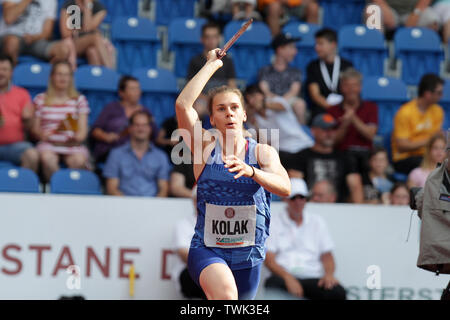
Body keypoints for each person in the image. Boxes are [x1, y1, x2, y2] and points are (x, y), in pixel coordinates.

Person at [175, 48, 291, 300]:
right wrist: (211, 65)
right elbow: (183, 105)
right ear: (213, 119)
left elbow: (285, 187)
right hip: (208, 249)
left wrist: (252, 172)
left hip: (249, 254)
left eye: (234, 107)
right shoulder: (204, 146)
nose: (229, 112)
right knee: (227, 297)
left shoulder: (262, 152)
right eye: (221, 109)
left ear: (244, 114)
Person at [264, 178, 346, 300]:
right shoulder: (274, 222)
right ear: (286, 199)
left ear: (306, 199)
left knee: (337, 292)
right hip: (284, 277)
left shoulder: (317, 222)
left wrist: (329, 275)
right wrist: (288, 278)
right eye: (294, 198)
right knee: (273, 284)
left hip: (312, 277)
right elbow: (269, 259)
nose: (298, 202)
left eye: (301, 197)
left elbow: (327, 255)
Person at [286, 113, 364, 203]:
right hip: (308, 208)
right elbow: (295, 187)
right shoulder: (300, 157)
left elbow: (356, 188)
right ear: (313, 131)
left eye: (333, 129)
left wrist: (357, 210)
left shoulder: (345, 158)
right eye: (325, 129)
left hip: (340, 210)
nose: (330, 133)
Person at [32, 61, 90, 182]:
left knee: (78, 160)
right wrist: (41, 134)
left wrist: (76, 138)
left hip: (71, 145)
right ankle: (57, 187)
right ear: (52, 77)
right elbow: (35, 129)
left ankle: (68, 189)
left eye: (66, 74)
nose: (63, 78)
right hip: (48, 144)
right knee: (48, 159)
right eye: (59, 74)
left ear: (71, 78)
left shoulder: (79, 100)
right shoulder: (40, 99)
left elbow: (82, 133)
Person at [90, 75, 157, 164]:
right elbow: (95, 130)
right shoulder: (111, 108)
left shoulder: (145, 112)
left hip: (138, 152)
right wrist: (106, 136)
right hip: (111, 150)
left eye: (138, 88)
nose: (137, 92)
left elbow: (154, 135)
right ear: (121, 93)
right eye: (133, 89)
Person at [103, 110, 170, 197]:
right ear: (130, 128)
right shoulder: (116, 154)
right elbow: (111, 189)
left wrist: (153, 208)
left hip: (152, 207)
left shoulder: (161, 157)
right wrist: (129, 207)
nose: (141, 129)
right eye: (137, 125)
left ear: (150, 128)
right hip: (123, 206)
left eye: (144, 125)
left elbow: (163, 189)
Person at [327, 68, 378, 175]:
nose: (351, 89)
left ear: (360, 87)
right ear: (341, 87)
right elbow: (333, 141)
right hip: (342, 154)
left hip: (365, 154)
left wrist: (353, 118)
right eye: (347, 85)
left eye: (354, 85)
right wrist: (345, 124)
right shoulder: (332, 110)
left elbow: (370, 135)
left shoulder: (371, 107)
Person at [392, 73, 444, 175]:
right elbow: (401, 146)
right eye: (439, 93)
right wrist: (429, 141)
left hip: (429, 155)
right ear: (427, 94)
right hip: (405, 158)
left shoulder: (438, 111)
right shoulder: (405, 112)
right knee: (434, 165)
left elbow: (437, 138)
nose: (441, 96)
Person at [0, 0, 72, 66]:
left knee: (63, 50)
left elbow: (47, 33)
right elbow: (8, 19)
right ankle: (10, 75)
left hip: (36, 40)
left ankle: (47, 76)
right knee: (12, 42)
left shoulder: (50, 1)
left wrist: (34, 37)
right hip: (11, 36)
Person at [0, 54, 38, 171]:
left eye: (4, 69)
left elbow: (30, 129)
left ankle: (23, 187)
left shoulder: (22, 94)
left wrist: (29, 119)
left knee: (32, 155)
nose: (1, 73)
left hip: (16, 146)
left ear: (11, 73)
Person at [306, 28, 353, 122]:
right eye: (316, 44)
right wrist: (333, 109)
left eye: (320, 44)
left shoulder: (347, 65)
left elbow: (351, 91)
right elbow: (315, 95)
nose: (316, 48)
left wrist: (342, 109)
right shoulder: (313, 66)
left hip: (343, 108)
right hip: (322, 109)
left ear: (333, 44)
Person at [170, 186, 207, 299]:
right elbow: (184, 254)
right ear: (194, 201)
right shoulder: (183, 224)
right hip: (191, 273)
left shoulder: (219, 224)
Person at [60, 0, 116, 69]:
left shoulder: (99, 8)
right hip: (73, 44)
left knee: (92, 51)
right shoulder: (69, 5)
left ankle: (98, 77)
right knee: (95, 36)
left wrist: (88, 5)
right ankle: (110, 71)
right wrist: (82, 30)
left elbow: (87, 27)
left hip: (91, 44)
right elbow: (65, 34)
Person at [367, 0, 439, 32]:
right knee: (373, 11)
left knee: (433, 20)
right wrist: (383, 6)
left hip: (413, 10)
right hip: (388, 9)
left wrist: (416, 13)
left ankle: (421, 55)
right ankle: (377, 52)